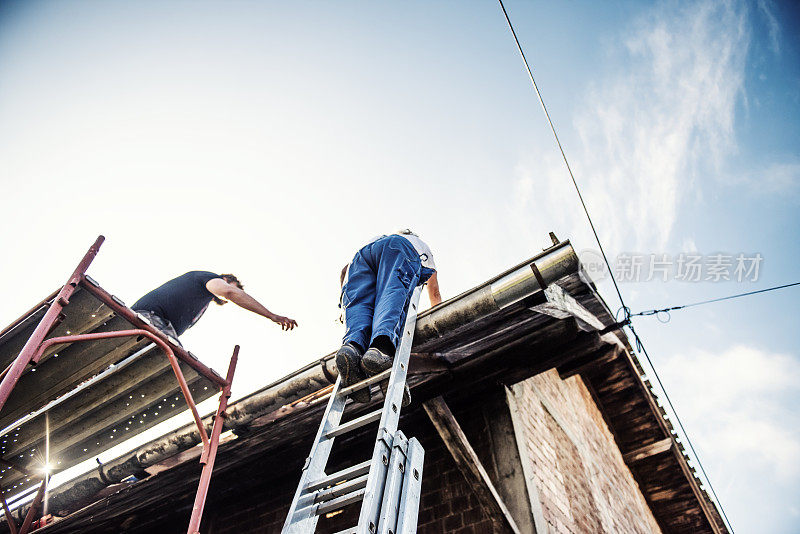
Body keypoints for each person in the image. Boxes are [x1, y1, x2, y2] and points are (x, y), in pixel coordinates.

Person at [337, 230, 441, 403]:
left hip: (361, 256)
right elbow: (434, 293)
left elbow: (344, 271)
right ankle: (381, 350)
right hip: (397, 250)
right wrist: (439, 322)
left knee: (361, 308)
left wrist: (343, 304)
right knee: (391, 296)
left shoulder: (378, 238)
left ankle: (352, 349)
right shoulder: (419, 246)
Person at [132, 271, 297, 344]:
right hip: (149, 317)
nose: (231, 294)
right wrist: (271, 316)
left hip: (157, 323)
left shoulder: (203, 301)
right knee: (176, 356)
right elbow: (228, 291)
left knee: (175, 353)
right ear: (224, 278)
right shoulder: (208, 278)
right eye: (234, 287)